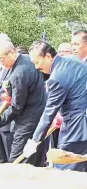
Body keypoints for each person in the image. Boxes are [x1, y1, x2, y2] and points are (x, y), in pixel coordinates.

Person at [0, 36, 46, 165]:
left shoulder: (18, 74)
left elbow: (16, 107)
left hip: (27, 123)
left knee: (16, 162)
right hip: (38, 119)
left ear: (12, 52)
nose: (1, 63)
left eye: (2, 59)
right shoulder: (27, 59)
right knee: (34, 163)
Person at [27, 41, 87, 172]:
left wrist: (35, 139)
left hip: (76, 129)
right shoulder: (73, 59)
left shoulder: (56, 77)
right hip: (82, 123)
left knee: (66, 169)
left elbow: (49, 111)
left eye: (37, 62)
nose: (36, 67)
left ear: (48, 56)